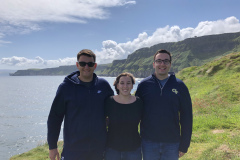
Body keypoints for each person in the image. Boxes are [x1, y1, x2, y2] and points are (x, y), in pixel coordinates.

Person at [47, 49, 114, 160]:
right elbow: (55, 118)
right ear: (77, 65)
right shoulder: (65, 87)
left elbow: (113, 109)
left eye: (90, 64)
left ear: (95, 65)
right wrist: (52, 146)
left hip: (99, 148)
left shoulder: (103, 85)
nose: (86, 67)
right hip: (73, 150)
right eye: (83, 63)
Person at [135, 49, 193, 160]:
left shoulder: (180, 86)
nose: (162, 64)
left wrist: (184, 145)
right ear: (154, 64)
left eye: (166, 61)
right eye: (159, 61)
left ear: (170, 64)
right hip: (148, 142)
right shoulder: (144, 85)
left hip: (172, 143)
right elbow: (136, 113)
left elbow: (187, 116)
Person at [104, 72, 143, 160]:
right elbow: (102, 122)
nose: (125, 86)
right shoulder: (109, 102)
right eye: (122, 83)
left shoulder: (139, 102)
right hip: (112, 150)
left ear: (132, 86)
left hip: (134, 150)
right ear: (117, 85)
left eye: (128, 83)